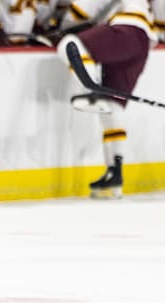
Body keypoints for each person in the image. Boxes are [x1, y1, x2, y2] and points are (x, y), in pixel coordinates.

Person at [56, 0, 158, 199]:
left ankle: (91, 89)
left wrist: (63, 25)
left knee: (69, 45)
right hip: (143, 42)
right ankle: (114, 174)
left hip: (125, 30)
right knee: (112, 107)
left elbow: (84, 8)